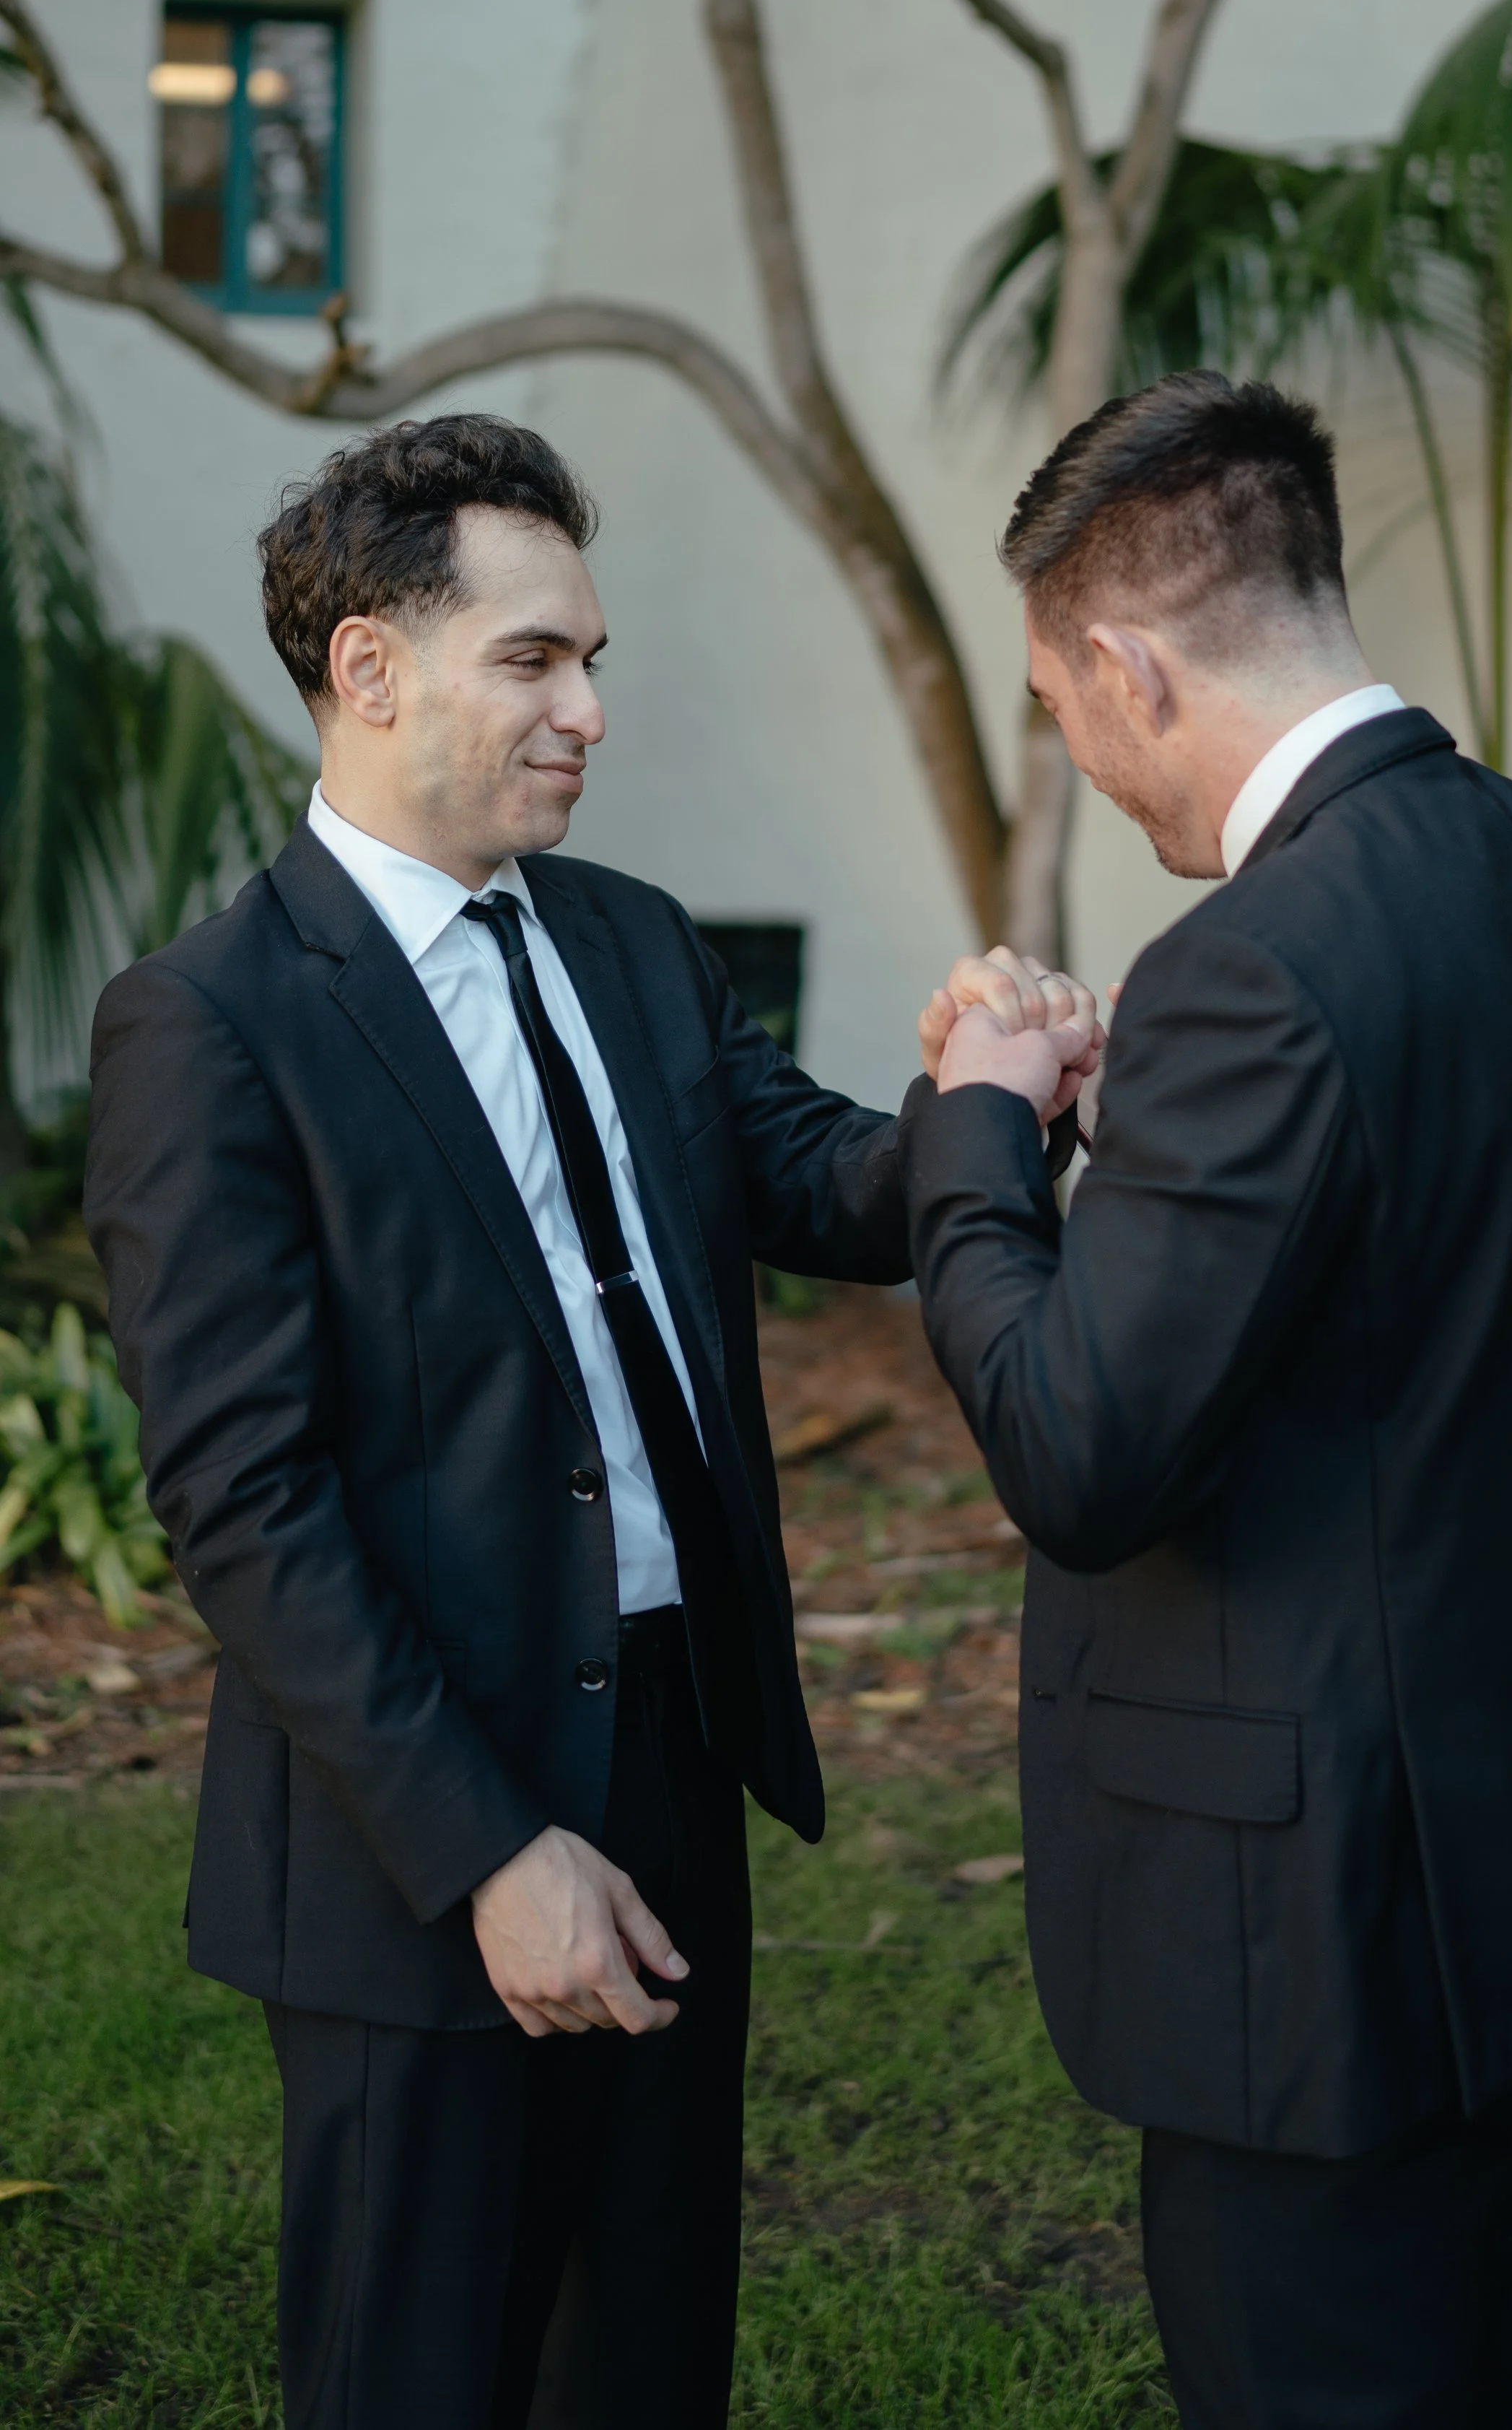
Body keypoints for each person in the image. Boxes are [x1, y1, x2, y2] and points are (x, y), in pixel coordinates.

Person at [83, 413, 1090, 2430]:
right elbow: (245, 1501)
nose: (590, 714)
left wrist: (991, 1096)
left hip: (671, 1747)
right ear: (370, 667)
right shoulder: (211, 1020)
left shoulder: (628, 936)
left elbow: (822, 1180)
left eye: (591, 659)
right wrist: (484, 1851)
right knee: (419, 2375)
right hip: (413, 1814)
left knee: (642, 2360)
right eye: (534, 660)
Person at [905, 371, 1512, 2428]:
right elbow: (1443, 1282)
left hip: (1326, 1932)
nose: (1079, 754)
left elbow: (1080, 1452)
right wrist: (1162, 1133)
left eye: (1061, 704)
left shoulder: (1248, 965)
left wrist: (979, 1132)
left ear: (1127, 667)